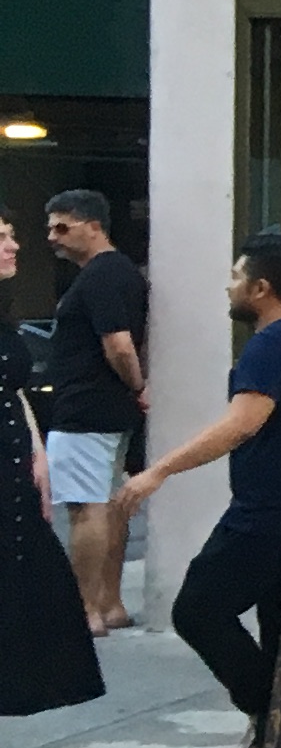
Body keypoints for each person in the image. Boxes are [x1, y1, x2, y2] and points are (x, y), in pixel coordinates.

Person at [118, 234, 281, 748]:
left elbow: (242, 423)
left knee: (198, 609)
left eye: (237, 276)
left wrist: (158, 470)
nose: (229, 286)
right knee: (280, 626)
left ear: (261, 288)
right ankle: (268, 742)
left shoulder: (270, 345)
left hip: (272, 510)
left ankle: (271, 712)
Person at [0, 213, 107, 748]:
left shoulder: (4, 311)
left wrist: (37, 454)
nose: (16, 244)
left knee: (20, 604)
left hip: (12, 477)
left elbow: (12, 390)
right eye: (2, 237)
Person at [39, 189, 147, 634]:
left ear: (94, 226)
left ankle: (86, 609)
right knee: (107, 504)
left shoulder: (101, 275)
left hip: (85, 405)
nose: (53, 237)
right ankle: (109, 602)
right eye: (50, 228)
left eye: (62, 227)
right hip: (104, 406)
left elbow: (119, 344)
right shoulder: (118, 273)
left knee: (85, 508)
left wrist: (138, 384)